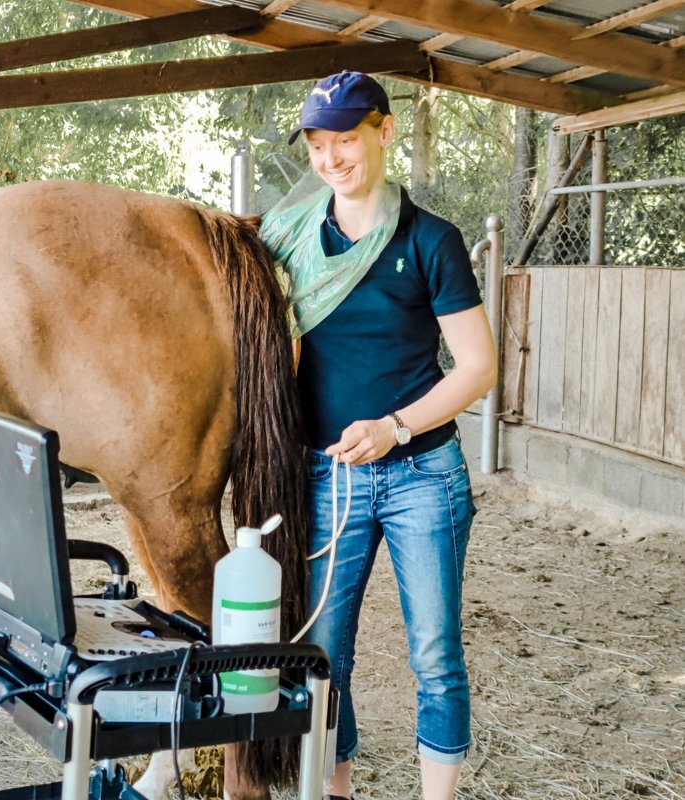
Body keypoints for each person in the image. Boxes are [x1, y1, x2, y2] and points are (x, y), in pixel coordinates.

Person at [259, 71, 498, 800]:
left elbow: (478, 367)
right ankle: (335, 789)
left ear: (383, 131)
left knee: (434, 653)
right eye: (318, 145)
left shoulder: (430, 240)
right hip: (326, 473)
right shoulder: (283, 241)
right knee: (324, 654)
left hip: (422, 474)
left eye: (347, 140)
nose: (332, 158)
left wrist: (395, 428)